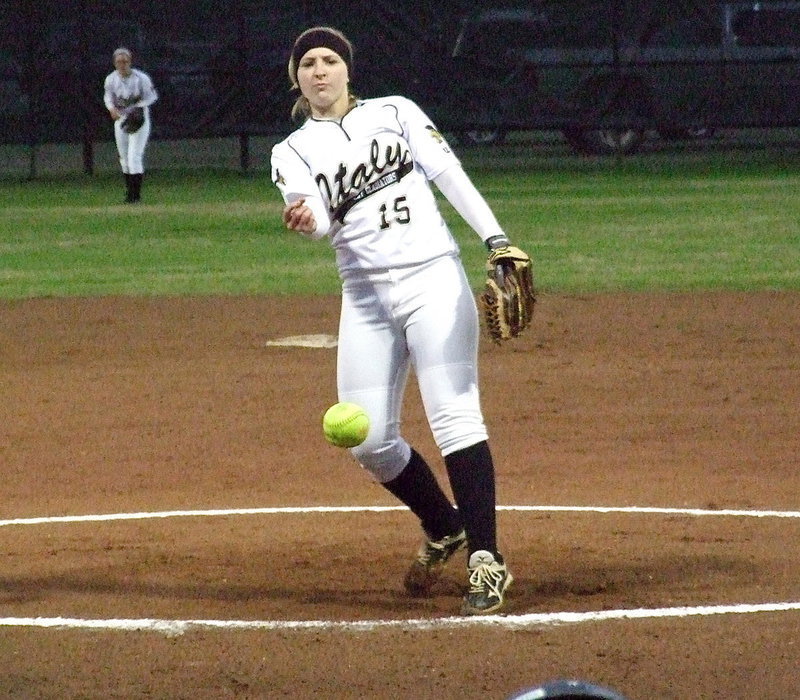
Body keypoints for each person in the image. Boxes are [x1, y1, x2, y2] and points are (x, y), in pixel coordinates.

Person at [270, 26, 528, 615]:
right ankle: (444, 526)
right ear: (296, 78)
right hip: (364, 297)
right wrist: (306, 221)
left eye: (329, 59)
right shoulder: (290, 151)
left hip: (433, 279)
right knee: (368, 440)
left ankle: (486, 560)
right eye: (307, 63)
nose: (319, 70)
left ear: (347, 69)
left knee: (454, 417)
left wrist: (495, 239)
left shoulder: (396, 113)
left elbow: (449, 173)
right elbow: (319, 223)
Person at [103, 47, 158, 203]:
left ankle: (136, 196)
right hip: (121, 118)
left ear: (130, 62)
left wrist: (138, 107)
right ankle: (130, 194)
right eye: (119, 62)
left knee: (134, 156)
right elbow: (108, 97)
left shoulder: (141, 78)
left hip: (138, 119)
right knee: (124, 157)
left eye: (125, 61)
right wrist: (111, 109)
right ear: (114, 63)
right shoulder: (111, 79)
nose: (122, 65)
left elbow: (152, 97)